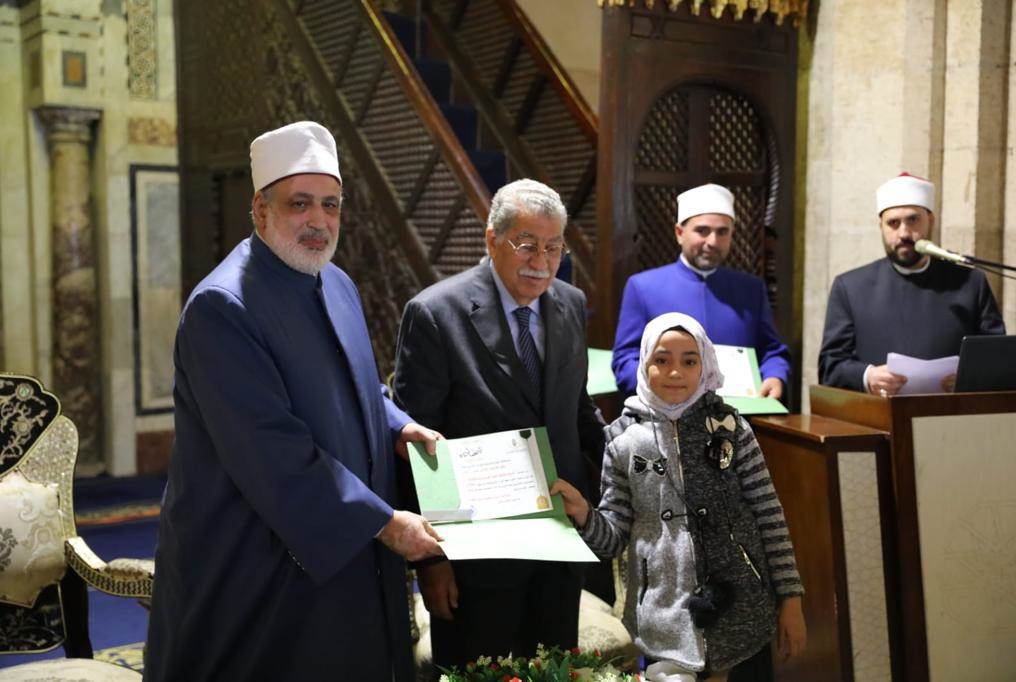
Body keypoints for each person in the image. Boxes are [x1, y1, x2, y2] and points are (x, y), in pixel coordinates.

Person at [145, 121, 444, 681]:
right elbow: (270, 454)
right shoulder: (222, 307)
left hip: (340, 543)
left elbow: (355, 385)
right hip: (255, 561)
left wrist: (398, 425)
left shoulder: (337, 282)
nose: (318, 221)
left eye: (331, 205)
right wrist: (383, 522)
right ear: (260, 210)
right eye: (299, 203)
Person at [392, 179, 606, 668]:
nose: (541, 262)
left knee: (554, 673)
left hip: (558, 544)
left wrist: (629, 465)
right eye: (526, 244)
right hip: (477, 560)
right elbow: (414, 448)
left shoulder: (571, 303)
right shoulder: (435, 313)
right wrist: (431, 561)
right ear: (492, 239)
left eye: (554, 247)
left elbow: (577, 408)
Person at [553, 313, 806, 681]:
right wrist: (583, 513)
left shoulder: (731, 428)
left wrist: (791, 599)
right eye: (662, 360)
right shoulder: (622, 438)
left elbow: (769, 515)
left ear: (706, 364)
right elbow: (612, 538)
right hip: (661, 607)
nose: (675, 372)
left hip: (736, 600)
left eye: (689, 361)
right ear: (644, 363)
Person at [818, 173, 1006, 395]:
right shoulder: (850, 288)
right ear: (881, 226)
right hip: (878, 413)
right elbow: (830, 367)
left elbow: (998, 358)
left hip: (951, 412)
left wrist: (968, 378)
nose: (904, 233)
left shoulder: (971, 283)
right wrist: (868, 376)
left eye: (913, 220)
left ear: (931, 221)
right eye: (893, 223)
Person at [612, 184, 789, 399]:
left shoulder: (751, 289)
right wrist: (662, 386)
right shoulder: (643, 287)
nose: (712, 242)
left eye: (722, 232)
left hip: (739, 413)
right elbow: (625, 360)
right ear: (680, 233)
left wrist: (774, 376)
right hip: (666, 413)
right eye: (702, 231)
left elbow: (772, 350)